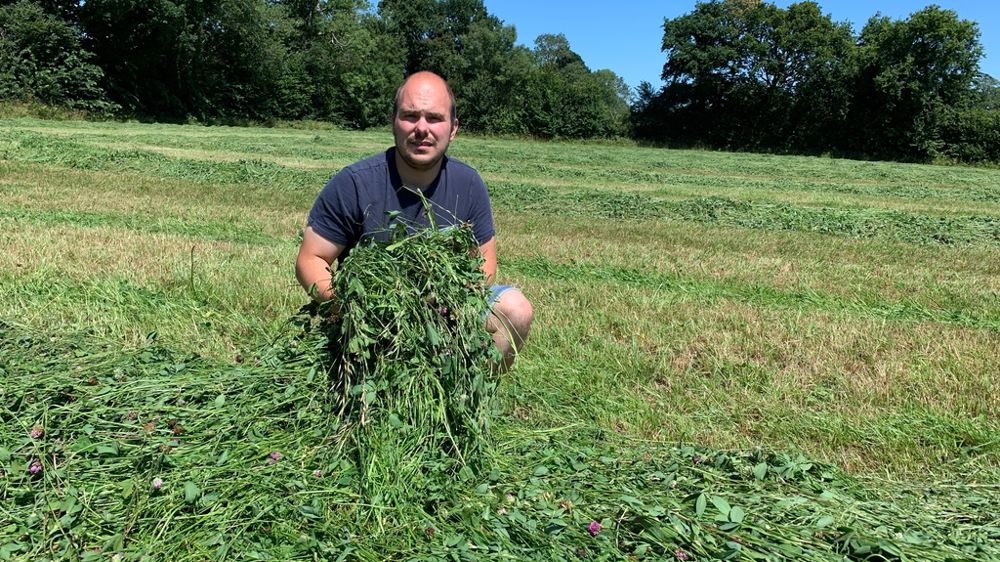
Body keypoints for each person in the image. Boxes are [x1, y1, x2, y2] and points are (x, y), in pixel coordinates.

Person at [295, 71, 533, 370]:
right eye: (410, 116)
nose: (422, 128)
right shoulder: (354, 183)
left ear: (453, 128)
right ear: (394, 122)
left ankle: (469, 398)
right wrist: (352, 308)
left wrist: (449, 305)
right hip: (370, 319)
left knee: (516, 309)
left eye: (434, 118)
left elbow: (484, 264)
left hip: (446, 310)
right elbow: (311, 259)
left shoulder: (468, 183)